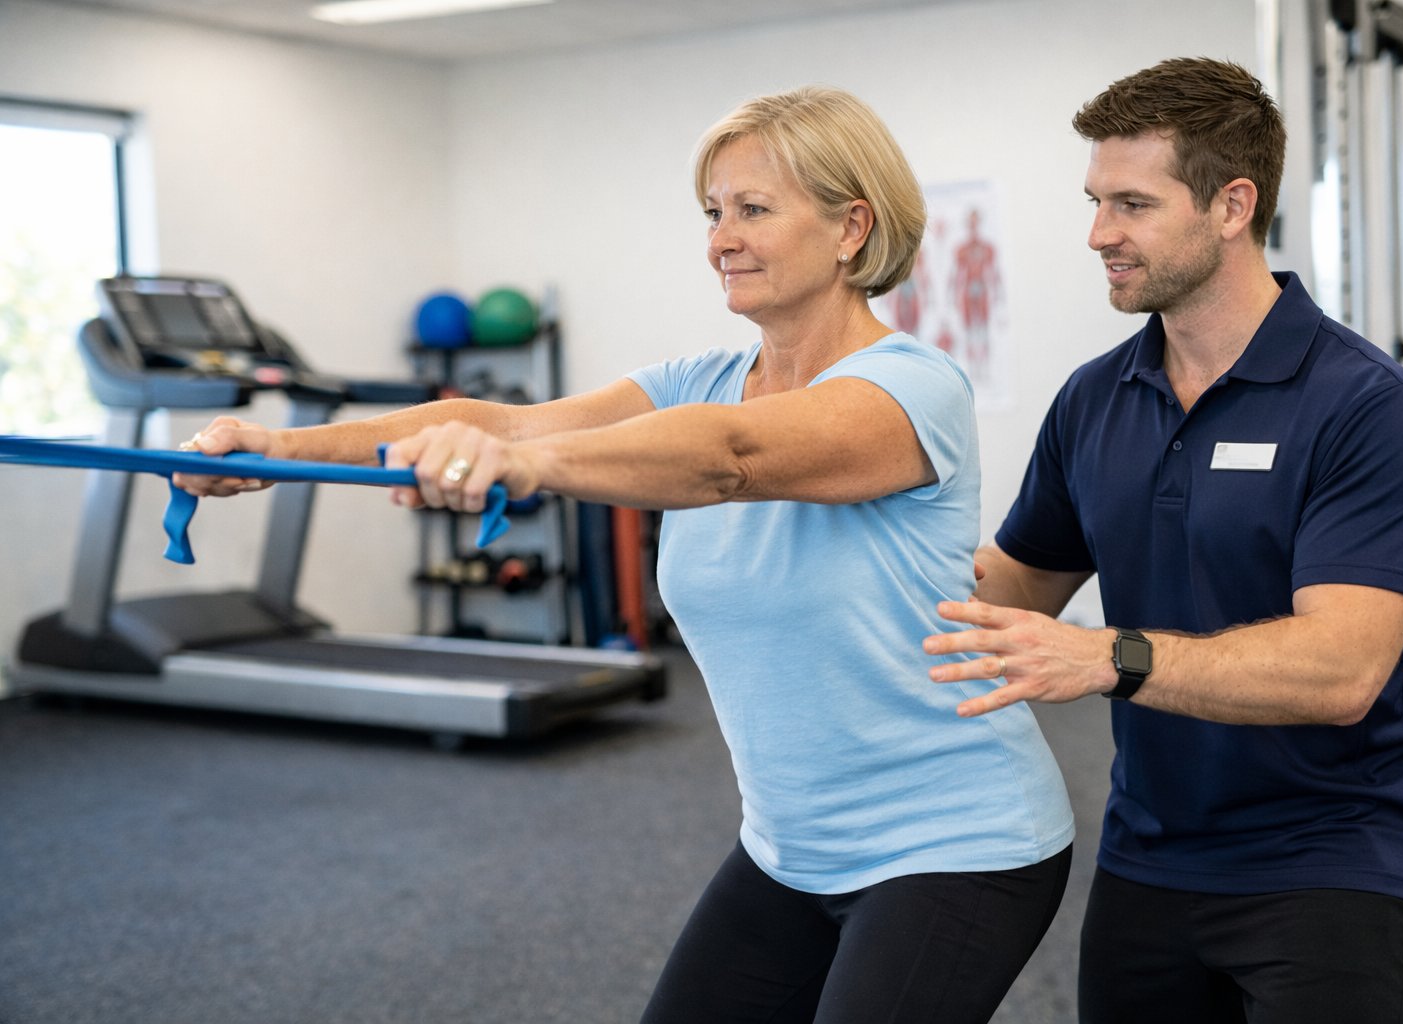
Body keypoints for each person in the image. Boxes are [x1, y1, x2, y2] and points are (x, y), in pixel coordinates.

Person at [176, 86, 1074, 1023]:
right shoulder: (695, 381)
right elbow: (503, 421)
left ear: (852, 228)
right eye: (713, 213)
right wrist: (275, 452)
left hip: (956, 842)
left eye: (753, 209)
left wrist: (528, 468)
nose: (722, 239)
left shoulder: (913, 388)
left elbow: (732, 458)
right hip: (791, 849)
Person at [922, 58, 1403, 1024]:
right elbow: (1014, 588)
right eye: (1096, 202)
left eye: (1132, 204)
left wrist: (1108, 657)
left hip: (1333, 855)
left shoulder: (1372, 410)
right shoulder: (1094, 399)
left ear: (1231, 206)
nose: (1099, 234)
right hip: (1150, 851)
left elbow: (1341, 671)